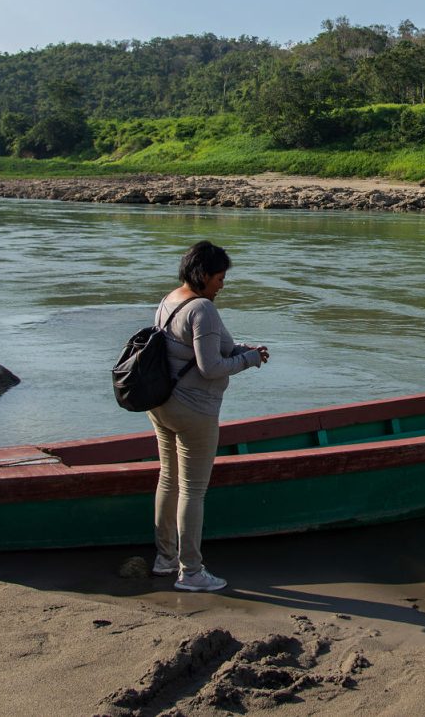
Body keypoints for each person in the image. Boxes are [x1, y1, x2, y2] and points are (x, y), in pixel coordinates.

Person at [147, 241, 269, 592]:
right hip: (195, 412)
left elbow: (195, 347)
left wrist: (243, 350)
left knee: (168, 480)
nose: (222, 284)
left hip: (162, 405)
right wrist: (249, 360)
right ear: (202, 275)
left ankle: (165, 559)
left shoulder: (170, 300)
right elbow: (211, 366)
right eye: (219, 277)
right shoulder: (203, 309)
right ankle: (192, 572)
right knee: (193, 491)